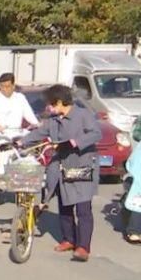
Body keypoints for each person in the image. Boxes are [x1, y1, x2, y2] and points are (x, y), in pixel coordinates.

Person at [20, 84, 102, 262]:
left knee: (82, 208)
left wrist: (74, 142)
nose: (48, 107)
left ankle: (83, 247)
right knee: (65, 205)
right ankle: (68, 240)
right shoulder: (53, 120)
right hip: (62, 165)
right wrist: (21, 142)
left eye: (50, 104)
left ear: (58, 102)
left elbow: (96, 134)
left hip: (83, 166)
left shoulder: (82, 115)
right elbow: (40, 133)